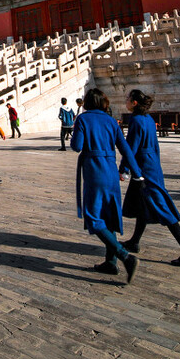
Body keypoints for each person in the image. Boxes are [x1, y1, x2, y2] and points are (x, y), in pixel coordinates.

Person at [70, 87, 142, 282]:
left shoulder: (83, 119)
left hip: (95, 172)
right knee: (109, 217)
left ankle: (124, 256)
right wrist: (137, 174)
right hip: (111, 172)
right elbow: (126, 149)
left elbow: (76, 146)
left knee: (94, 217)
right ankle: (110, 263)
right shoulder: (111, 121)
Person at [120, 90, 180, 266]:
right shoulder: (148, 119)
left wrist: (124, 169)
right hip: (152, 165)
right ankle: (134, 241)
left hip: (144, 170)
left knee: (162, 208)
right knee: (142, 206)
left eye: (128, 99)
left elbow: (130, 148)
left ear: (134, 103)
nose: (126, 102)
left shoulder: (136, 121)